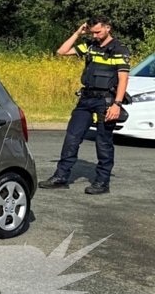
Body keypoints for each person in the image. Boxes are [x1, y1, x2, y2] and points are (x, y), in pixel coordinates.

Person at [40, 16, 130, 195]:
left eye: (98, 31)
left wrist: (117, 104)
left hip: (106, 101)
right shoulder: (90, 46)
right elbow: (62, 51)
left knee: (103, 142)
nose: (95, 35)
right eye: (92, 32)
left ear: (108, 28)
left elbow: (123, 78)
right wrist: (78, 33)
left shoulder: (119, 49)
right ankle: (61, 177)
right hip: (86, 99)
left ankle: (102, 182)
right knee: (72, 138)